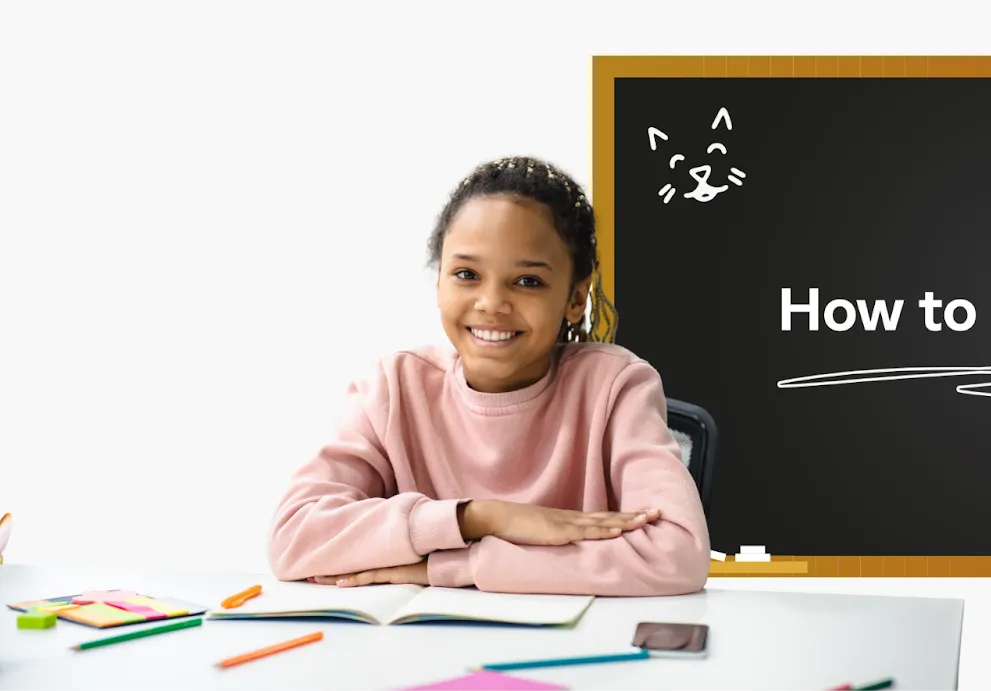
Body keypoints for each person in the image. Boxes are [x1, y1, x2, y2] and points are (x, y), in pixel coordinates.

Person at [266, 156, 709, 597]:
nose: (491, 302)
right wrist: (478, 517)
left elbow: (678, 555)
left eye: (528, 281)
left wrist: (456, 564)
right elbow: (294, 537)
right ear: (439, 280)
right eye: (466, 275)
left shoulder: (616, 387)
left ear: (576, 298)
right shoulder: (392, 388)